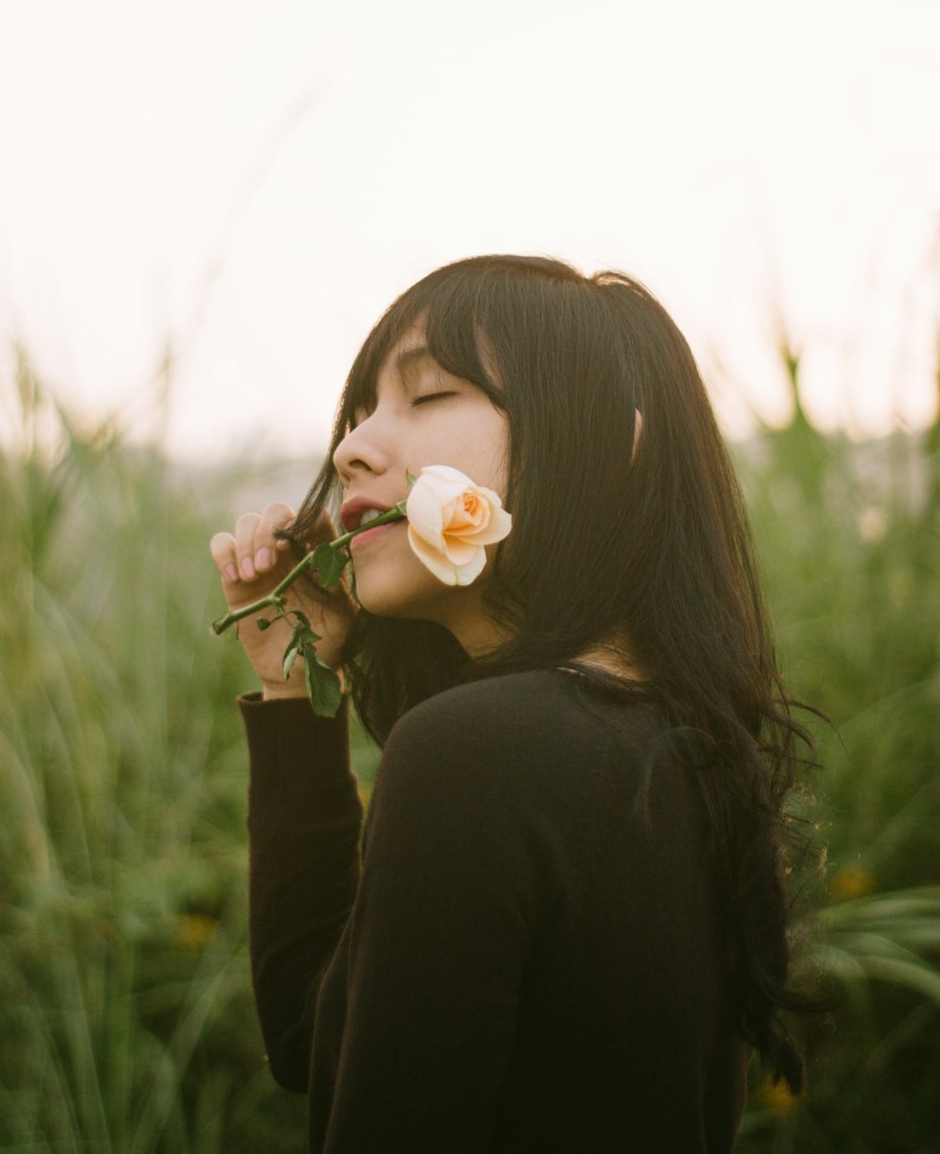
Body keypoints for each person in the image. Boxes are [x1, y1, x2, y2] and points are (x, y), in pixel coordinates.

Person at [209, 254, 819, 1153]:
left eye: (428, 396)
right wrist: (295, 685)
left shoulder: (477, 751)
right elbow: (320, 1044)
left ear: (606, 442)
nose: (352, 448)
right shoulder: (691, 748)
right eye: (359, 412)